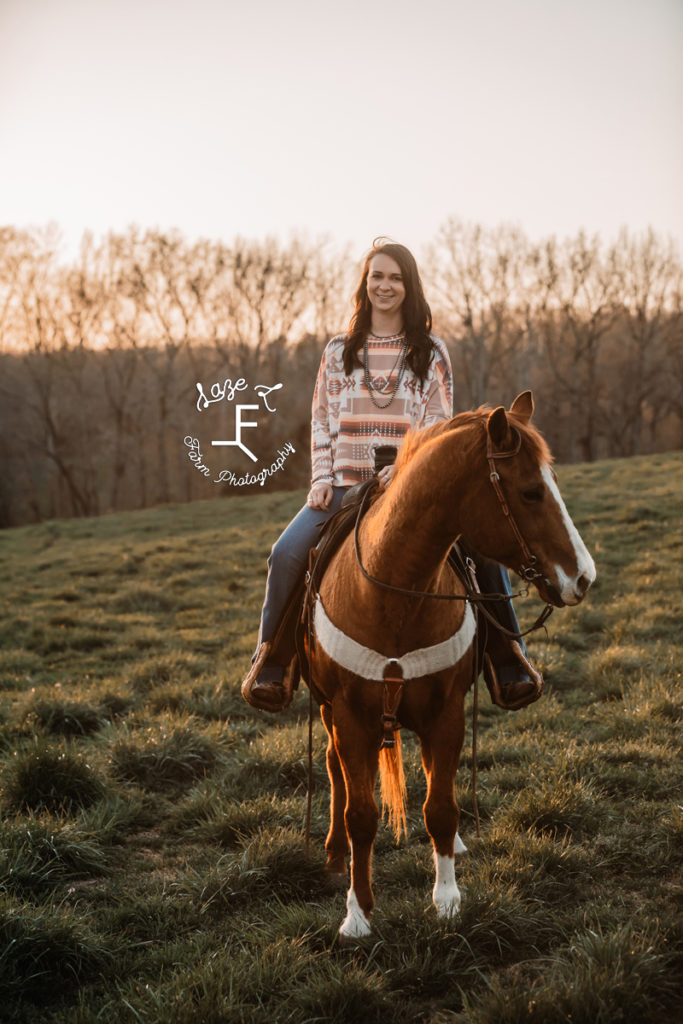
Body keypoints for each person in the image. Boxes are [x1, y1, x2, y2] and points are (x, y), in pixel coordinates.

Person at [241, 239, 541, 712]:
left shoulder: (432, 353)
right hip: (343, 486)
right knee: (286, 553)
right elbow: (321, 419)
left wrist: (402, 472)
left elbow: (438, 427)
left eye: (395, 278)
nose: (385, 285)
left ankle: (507, 661)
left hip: (410, 490)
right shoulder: (339, 351)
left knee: (480, 554)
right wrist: (320, 478)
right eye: (377, 276)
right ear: (365, 283)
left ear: (409, 286)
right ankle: (273, 665)